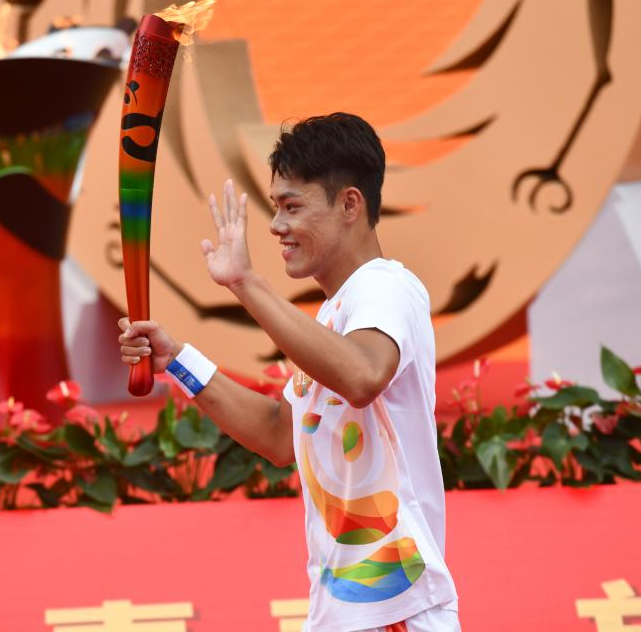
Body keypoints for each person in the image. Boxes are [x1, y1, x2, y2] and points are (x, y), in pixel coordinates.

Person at [118, 112, 460, 632]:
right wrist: (178, 360)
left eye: (292, 206)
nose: (276, 225)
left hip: (400, 607)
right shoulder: (333, 317)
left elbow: (363, 376)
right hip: (341, 610)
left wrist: (245, 283)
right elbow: (280, 433)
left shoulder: (386, 287)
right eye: (276, 207)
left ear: (350, 204)